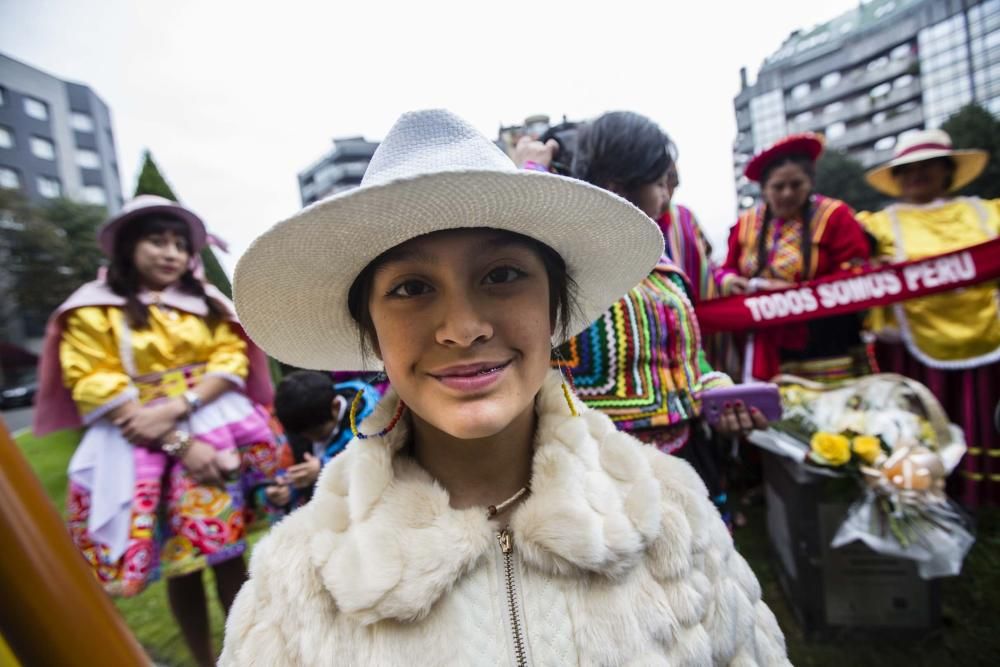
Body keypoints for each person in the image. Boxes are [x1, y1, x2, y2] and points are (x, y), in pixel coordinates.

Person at [220, 110, 789, 665]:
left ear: (556, 308)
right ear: (369, 328)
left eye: (502, 275)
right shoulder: (295, 583)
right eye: (412, 287)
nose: (464, 328)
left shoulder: (673, 518)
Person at [33, 195, 281, 667]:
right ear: (129, 247)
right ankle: (205, 659)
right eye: (156, 241)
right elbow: (91, 379)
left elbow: (229, 357)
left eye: (177, 244)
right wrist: (174, 438)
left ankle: (250, 657)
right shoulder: (93, 310)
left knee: (229, 554)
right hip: (134, 440)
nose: (169, 253)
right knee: (180, 566)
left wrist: (181, 406)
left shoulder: (205, 302)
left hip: (213, 422)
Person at [516, 111, 765, 523]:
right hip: (593, 477)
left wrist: (714, 386)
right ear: (619, 186)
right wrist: (529, 174)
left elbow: (688, 354)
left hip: (684, 460)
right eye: (660, 182)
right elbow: (506, 249)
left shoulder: (660, 258)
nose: (668, 193)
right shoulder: (558, 254)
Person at [858, 128, 1000, 508]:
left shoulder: (987, 212)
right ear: (897, 178)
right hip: (912, 344)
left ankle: (978, 498)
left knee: (980, 417)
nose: (917, 175)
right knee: (920, 421)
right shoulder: (877, 224)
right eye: (908, 169)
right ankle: (925, 496)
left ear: (947, 170)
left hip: (985, 336)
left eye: (928, 166)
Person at [717, 133, 870, 382]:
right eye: (778, 187)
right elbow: (727, 269)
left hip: (826, 335)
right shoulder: (745, 225)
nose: (787, 194)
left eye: (796, 185)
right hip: (764, 340)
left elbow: (854, 273)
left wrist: (798, 293)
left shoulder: (835, 216)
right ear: (764, 189)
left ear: (809, 183)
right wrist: (731, 280)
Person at [265, 371, 378, 509]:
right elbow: (288, 468)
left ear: (336, 407)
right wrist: (285, 490)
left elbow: (374, 461)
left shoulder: (373, 419)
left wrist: (325, 467)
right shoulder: (299, 423)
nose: (313, 440)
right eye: (303, 436)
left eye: (317, 433)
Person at [656, 158, 719, 303]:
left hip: (699, 312)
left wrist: (726, 280)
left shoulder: (685, 216)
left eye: (671, 182)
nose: (665, 192)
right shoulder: (629, 227)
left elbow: (707, 263)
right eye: (659, 183)